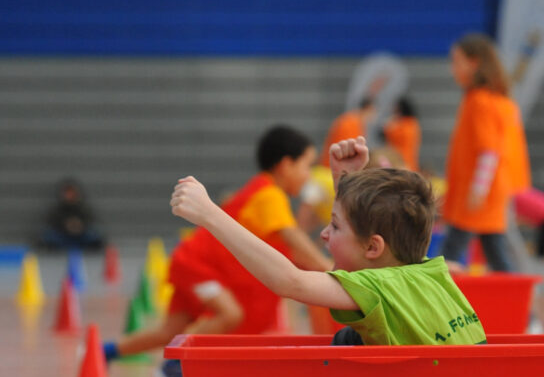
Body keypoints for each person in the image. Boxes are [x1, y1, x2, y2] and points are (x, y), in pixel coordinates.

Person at [170, 136, 485, 347]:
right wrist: (346, 181)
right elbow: (358, 241)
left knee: (345, 342)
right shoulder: (428, 271)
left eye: (333, 226)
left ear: (374, 247)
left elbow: (290, 281)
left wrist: (210, 215)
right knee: (351, 338)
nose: (323, 234)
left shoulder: (378, 287)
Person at [104, 125, 331, 377]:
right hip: (197, 266)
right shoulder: (269, 195)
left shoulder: (262, 193)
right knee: (231, 313)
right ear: (285, 165)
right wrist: (331, 270)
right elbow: (296, 242)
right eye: (307, 165)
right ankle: (175, 364)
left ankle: (104, 352)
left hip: (196, 265)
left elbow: (290, 248)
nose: (309, 176)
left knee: (168, 332)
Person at [441, 33, 530, 273]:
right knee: (494, 250)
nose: (453, 69)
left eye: (456, 61)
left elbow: (489, 151)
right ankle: (519, 305)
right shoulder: (498, 100)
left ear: (474, 63)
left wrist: (478, 188)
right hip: (491, 190)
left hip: (479, 193)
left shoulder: (480, 101)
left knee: (452, 250)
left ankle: (431, 301)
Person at [40, 178, 105, 251]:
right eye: (67, 194)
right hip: (64, 236)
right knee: (49, 235)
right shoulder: (57, 209)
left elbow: (89, 220)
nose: (69, 196)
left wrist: (79, 226)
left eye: (72, 193)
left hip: (80, 236)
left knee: (95, 233)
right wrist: (66, 225)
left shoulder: (83, 208)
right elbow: (53, 222)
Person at [320, 97, 376, 168]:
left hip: (333, 163)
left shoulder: (352, 119)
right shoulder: (352, 122)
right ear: (369, 109)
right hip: (334, 166)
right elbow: (352, 148)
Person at [383, 95, 421, 172]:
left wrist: (389, 126)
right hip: (404, 157)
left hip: (401, 157)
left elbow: (391, 134)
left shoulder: (404, 123)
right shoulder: (412, 123)